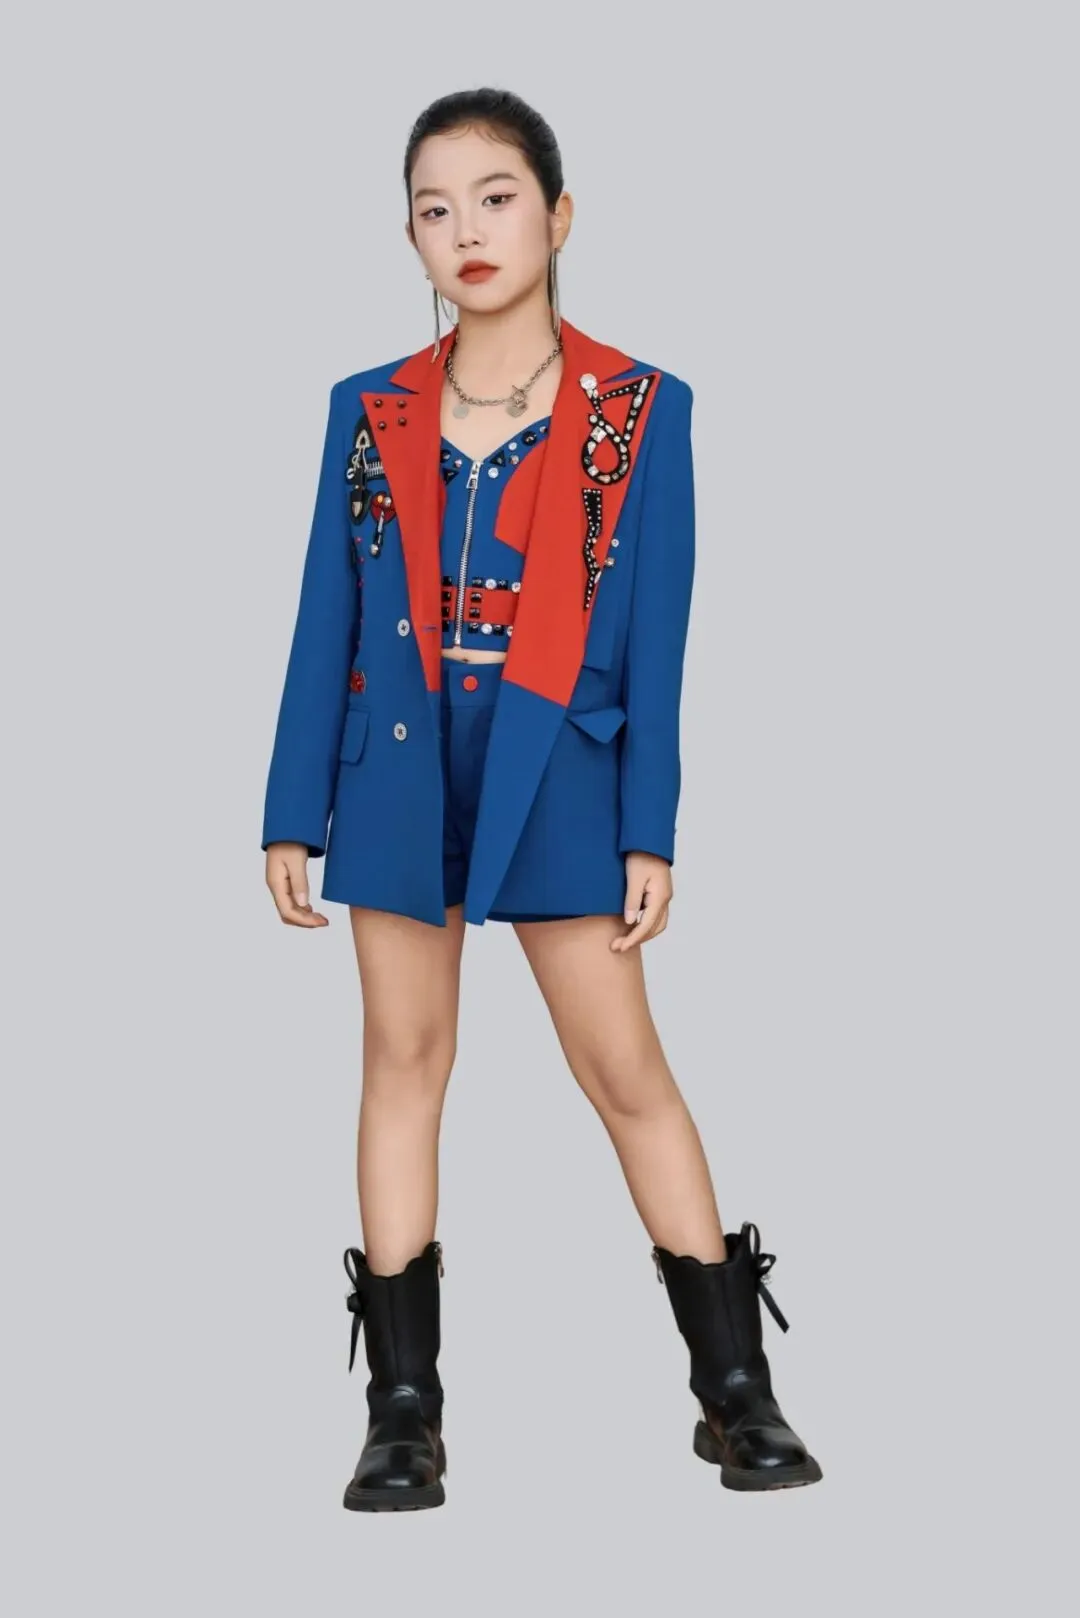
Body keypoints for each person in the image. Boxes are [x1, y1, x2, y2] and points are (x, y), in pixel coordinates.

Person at [261, 87, 822, 1511]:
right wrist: (291, 808)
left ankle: (736, 1392)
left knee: (625, 1070)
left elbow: (661, 635)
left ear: (559, 216)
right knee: (403, 1062)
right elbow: (326, 615)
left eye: (497, 197)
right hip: (395, 767)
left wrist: (648, 827)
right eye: (435, 207)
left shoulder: (640, 407)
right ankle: (403, 1412)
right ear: (410, 236)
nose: (468, 228)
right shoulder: (366, 409)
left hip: (563, 766)